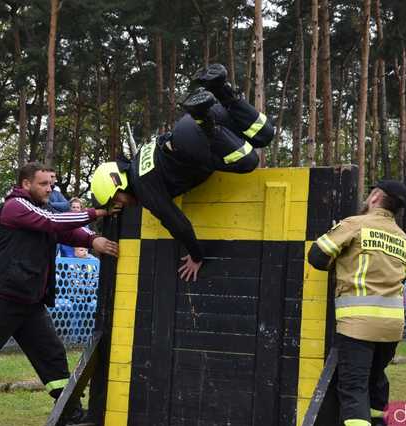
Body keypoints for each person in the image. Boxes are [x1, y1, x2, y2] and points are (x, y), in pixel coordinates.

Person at [0, 162, 119, 426]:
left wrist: (91, 240)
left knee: (52, 356)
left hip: (30, 302)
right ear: (26, 184)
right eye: (43, 184)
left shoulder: (44, 209)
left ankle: (69, 411)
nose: (49, 188)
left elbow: (65, 228)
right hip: (1, 298)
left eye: (51, 184)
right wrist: (96, 212)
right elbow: (53, 222)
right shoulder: (15, 206)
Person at [90, 63, 274, 282]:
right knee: (264, 134)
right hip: (193, 122)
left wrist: (196, 256)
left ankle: (208, 125)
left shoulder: (144, 188)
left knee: (248, 161)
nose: (121, 204)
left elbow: (178, 224)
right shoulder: (138, 158)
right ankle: (220, 88)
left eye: (115, 200)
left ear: (117, 184)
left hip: (194, 140)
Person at [307, 180, 406, 426]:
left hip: (358, 325)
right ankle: (378, 421)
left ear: (375, 197)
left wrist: (340, 263)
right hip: (392, 326)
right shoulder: (404, 240)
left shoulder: (355, 224)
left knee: (353, 388)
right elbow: (403, 276)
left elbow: (316, 255)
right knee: (375, 380)